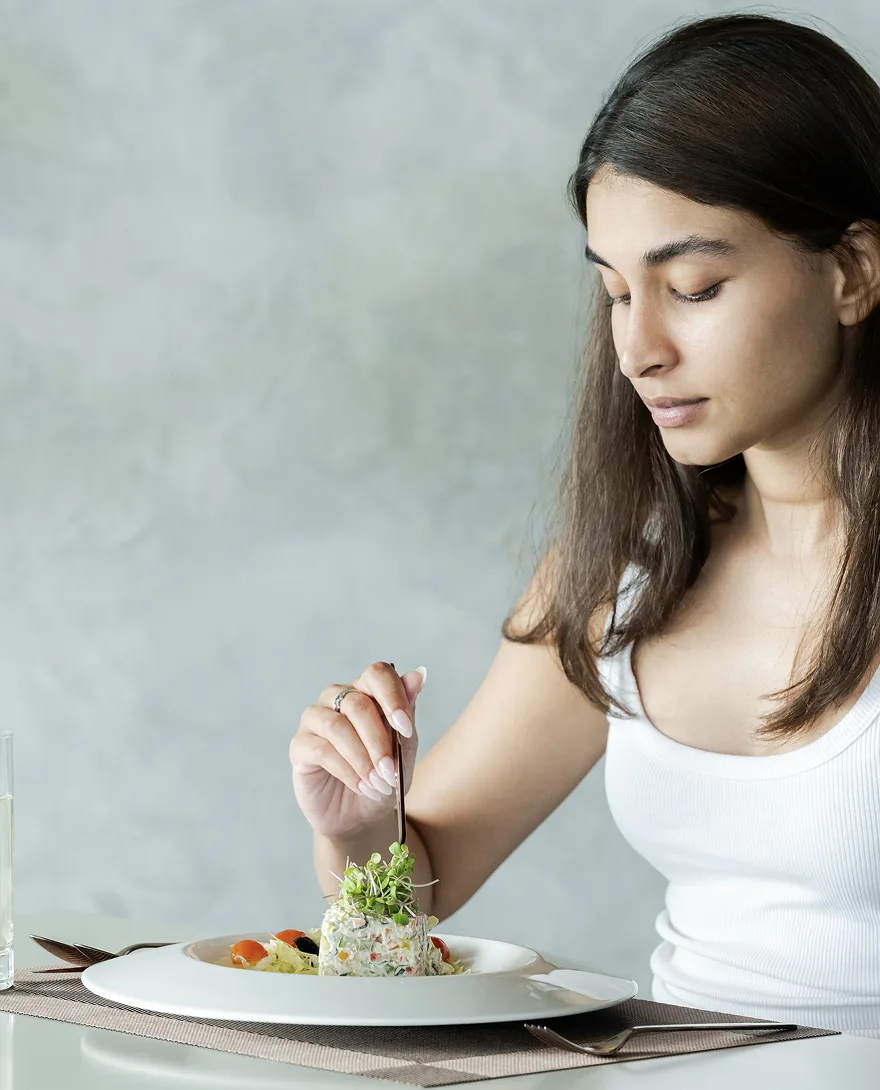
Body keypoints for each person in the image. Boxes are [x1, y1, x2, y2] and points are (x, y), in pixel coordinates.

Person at [289, 12, 880, 1036]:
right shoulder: (621, 581)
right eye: (614, 291)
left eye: (693, 286)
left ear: (853, 272)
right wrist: (359, 825)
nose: (637, 347)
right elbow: (408, 901)